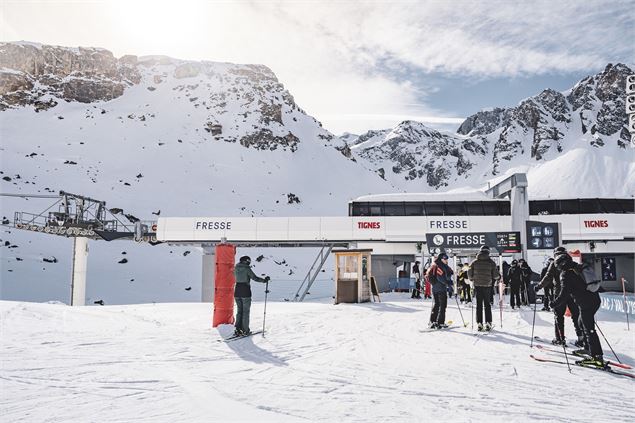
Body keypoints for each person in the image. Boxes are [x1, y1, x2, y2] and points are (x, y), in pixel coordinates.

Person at [551, 252, 605, 367]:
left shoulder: (566, 274)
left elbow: (564, 294)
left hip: (586, 304)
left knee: (589, 329)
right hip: (594, 300)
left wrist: (554, 303)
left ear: (562, 264)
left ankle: (597, 357)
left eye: (558, 265)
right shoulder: (578, 267)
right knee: (581, 323)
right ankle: (587, 348)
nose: (558, 268)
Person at [535, 247, 584, 346]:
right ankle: (581, 338)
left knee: (559, 317)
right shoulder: (571, 261)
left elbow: (548, 277)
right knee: (576, 315)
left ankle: (560, 339)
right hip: (572, 294)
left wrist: (538, 286)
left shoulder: (554, 263)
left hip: (559, 293)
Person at [233, 255, 270, 336]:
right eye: (249, 261)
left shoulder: (235, 268)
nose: (249, 262)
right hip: (245, 291)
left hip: (237, 291)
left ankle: (237, 329)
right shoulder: (247, 268)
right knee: (245, 312)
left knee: (239, 311)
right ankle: (245, 330)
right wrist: (264, 280)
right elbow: (255, 278)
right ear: (246, 261)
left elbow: (234, 277)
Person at [468, 245, 500, 331]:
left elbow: (469, 272)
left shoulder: (474, 262)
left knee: (479, 305)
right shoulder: (491, 262)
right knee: (487, 305)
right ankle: (488, 323)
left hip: (477, 285)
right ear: (488, 252)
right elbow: (496, 275)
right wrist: (498, 277)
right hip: (487, 286)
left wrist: (472, 279)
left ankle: (479, 323)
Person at [426, 253, 453, 329]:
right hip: (441, 288)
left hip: (435, 288)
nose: (446, 260)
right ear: (441, 259)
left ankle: (433, 321)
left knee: (437, 304)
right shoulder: (440, 266)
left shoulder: (434, 264)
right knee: (442, 305)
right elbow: (440, 277)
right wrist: (448, 283)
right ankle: (440, 322)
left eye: (447, 259)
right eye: (445, 259)